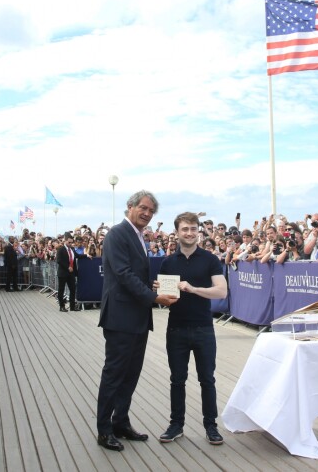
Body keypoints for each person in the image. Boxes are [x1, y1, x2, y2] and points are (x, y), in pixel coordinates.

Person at [96, 190, 178, 452]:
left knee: (130, 375)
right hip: (120, 318)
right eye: (143, 208)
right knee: (114, 374)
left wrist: (152, 288)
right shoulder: (117, 234)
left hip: (137, 318)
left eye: (151, 211)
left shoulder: (138, 236)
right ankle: (104, 429)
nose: (146, 213)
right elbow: (123, 274)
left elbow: (134, 276)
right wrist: (154, 297)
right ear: (130, 207)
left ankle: (120, 421)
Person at [155, 212, 227, 445]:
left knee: (207, 379)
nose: (189, 233)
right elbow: (164, 297)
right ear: (177, 232)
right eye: (185, 229)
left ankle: (211, 426)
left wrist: (193, 289)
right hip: (176, 328)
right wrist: (160, 292)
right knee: (177, 380)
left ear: (199, 231)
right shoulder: (168, 262)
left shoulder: (210, 259)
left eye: (193, 229)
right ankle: (176, 425)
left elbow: (221, 291)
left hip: (203, 328)